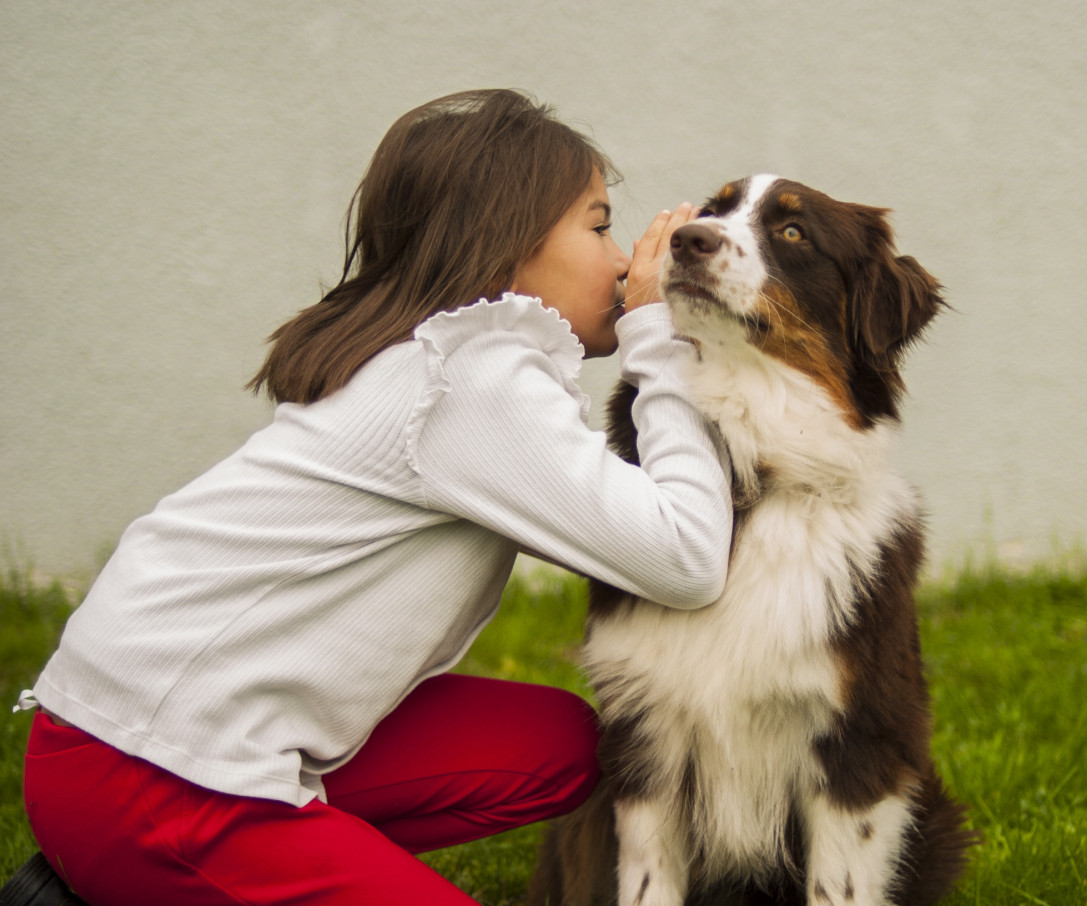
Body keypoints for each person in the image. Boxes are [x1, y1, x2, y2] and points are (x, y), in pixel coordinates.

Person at [9, 88, 730, 905]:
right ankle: (148, 873)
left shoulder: (448, 359)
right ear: (508, 246)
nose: (619, 256)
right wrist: (659, 342)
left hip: (120, 734)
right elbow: (685, 559)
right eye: (599, 226)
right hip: (150, 775)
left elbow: (634, 533)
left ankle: (214, 869)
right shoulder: (475, 380)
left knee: (562, 747)